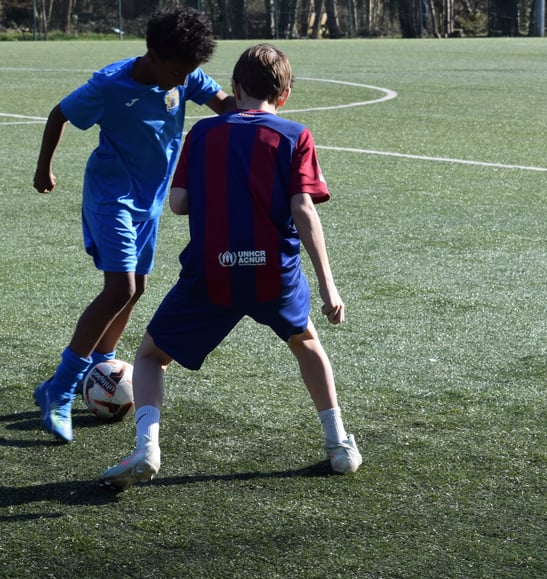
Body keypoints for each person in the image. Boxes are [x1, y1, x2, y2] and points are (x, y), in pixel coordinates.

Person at [98, 43, 362, 491]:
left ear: (234, 88)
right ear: (286, 93)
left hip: (211, 272)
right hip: (273, 272)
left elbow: (178, 204)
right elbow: (304, 209)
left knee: (149, 356)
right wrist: (328, 287)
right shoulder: (294, 135)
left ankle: (147, 447)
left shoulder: (203, 134)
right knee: (307, 345)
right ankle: (338, 444)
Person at [32, 6, 236, 443]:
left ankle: (100, 363)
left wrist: (258, 115)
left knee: (137, 288)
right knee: (120, 288)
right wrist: (43, 169)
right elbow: (59, 114)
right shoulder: (110, 85)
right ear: (155, 54)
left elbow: (225, 106)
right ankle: (59, 389)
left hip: (151, 202)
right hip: (112, 197)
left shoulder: (184, 75)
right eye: (178, 71)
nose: (183, 82)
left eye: (190, 73)